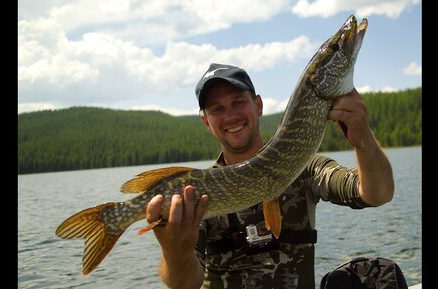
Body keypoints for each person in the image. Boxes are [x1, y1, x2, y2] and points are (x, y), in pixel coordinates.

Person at [145, 63, 394, 289]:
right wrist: (174, 250)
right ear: (206, 122)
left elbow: (376, 194)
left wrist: (363, 140)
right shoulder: (200, 191)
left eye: (238, 102)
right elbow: (184, 284)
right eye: (217, 109)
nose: (230, 116)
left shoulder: (303, 166)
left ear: (258, 105)